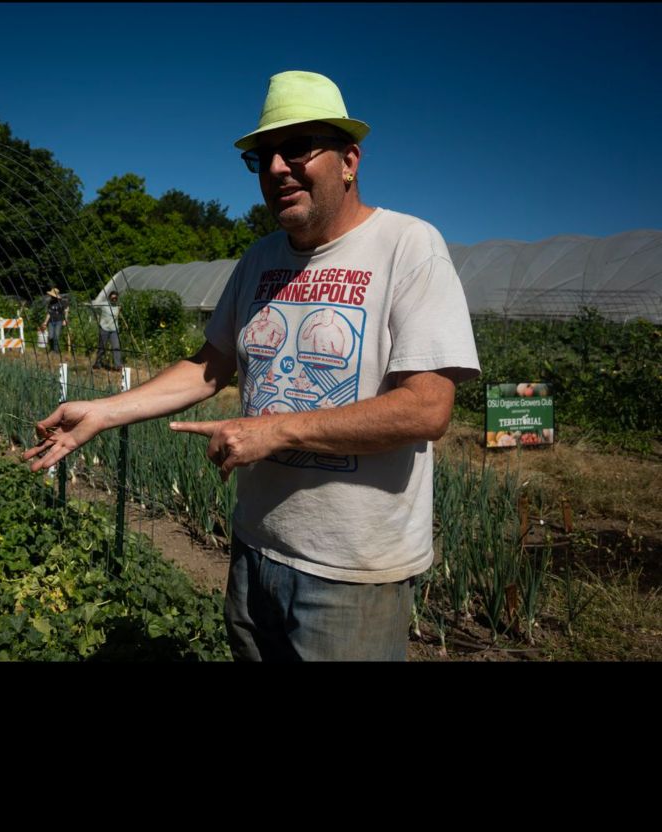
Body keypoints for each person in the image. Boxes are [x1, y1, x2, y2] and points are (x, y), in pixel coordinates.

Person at [24, 70, 479, 661]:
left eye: (296, 150)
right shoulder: (258, 260)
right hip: (253, 551)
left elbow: (426, 407)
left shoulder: (408, 246)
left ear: (349, 160)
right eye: (263, 157)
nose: (277, 169)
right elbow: (210, 367)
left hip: (351, 572)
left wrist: (277, 429)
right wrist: (104, 412)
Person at [91, 291, 123, 370]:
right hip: (104, 328)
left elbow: (118, 312)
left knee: (116, 347)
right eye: (113, 298)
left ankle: (118, 366)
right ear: (110, 298)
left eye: (116, 298)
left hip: (114, 329)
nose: (114, 299)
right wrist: (96, 317)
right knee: (102, 347)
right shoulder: (104, 304)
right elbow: (94, 306)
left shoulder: (118, 306)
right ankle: (97, 363)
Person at [41, 288, 69, 354]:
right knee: (50, 336)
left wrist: (65, 320)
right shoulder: (50, 302)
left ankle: (56, 351)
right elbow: (49, 313)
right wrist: (45, 322)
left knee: (56, 336)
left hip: (59, 321)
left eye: (52, 295)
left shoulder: (62, 302)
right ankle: (51, 349)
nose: (51, 297)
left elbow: (66, 310)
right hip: (51, 321)